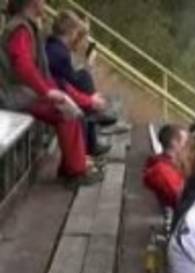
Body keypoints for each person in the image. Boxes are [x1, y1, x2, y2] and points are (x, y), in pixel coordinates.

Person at [0, 0, 100, 186]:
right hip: (15, 95)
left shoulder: (26, 26)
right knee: (66, 112)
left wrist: (53, 92)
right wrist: (47, 92)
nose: (45, 4)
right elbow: (23, 66)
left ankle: (73, 166)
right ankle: (75, 171)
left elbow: (36, 71)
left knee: (68, 109)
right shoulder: (20, 28)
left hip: (23, 93)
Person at [45, 9, 112, 157]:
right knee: (84, 77)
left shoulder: (54, 47)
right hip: (55, 95)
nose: (77, 37)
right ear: (70, 32)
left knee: (83, 76)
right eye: (76, 32)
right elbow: (68, 83)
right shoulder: (59, 52)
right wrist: (90, 100)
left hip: (57, 90)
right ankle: (93, 119)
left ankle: (94, 113)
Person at [143, 123, 188, 211]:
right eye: (185, 142)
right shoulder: (163, 170)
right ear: (174, 143)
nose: (186, 146)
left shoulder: (171, 164)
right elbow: (178, 199)